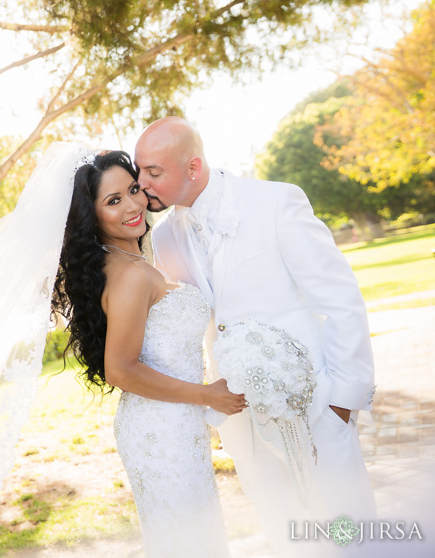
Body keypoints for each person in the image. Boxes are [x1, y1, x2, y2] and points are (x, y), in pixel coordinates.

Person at [134, 117, 377, 554]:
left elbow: (341, 299)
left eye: (154, 172)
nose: (142, 183)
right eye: (140, 170)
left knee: (350, 532)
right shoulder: (166, 235)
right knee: (288, 536)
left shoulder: (275, 202)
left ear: (192, 167)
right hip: (242, 422)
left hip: (315, 405)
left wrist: (343, 401)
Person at [52, 150, 245, 557]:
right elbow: (120, 369)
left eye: (134, 189)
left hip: (175, 421)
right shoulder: (127, 275)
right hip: (160, 430)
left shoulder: (132, 260)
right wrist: (207, 395)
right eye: (113, 200)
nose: (133, 205)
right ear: (92, 217)